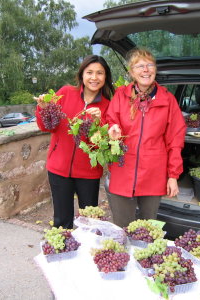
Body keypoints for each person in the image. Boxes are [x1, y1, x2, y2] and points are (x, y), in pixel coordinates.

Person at [106, 48, 186, 228]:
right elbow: (110, 119)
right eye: (140, 66)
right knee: (122, 228)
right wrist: (112, 129)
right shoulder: (121, 95)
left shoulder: (168, 100)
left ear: (155, 70)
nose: (146, 70)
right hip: (123, 170)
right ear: (131, 72)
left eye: (150, 65)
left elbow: (175, 140)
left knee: (147, 230)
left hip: (153, 173)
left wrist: (173, 176)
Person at [35, 55, 114, 229]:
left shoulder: (108, 105)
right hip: (58, 169)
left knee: (90, 221)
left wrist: (99, 123)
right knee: (62, 221)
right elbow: (47, 126)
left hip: (89, 173)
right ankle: (62, 254)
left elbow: (104, 145)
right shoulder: (65, 93)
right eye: (90, 72)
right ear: (82, 75)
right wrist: (43, 109)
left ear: (105, 77)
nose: (94, 77)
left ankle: (87, 252)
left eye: (100, 73)